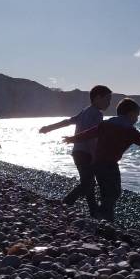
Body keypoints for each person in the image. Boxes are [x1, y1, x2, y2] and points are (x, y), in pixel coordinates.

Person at [63, 97, 140, 222]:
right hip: (109, 165)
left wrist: (72, 139)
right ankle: (102, 215)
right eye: (136, 116)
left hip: (97, 163)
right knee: (114, 192)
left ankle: (103, 216)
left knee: (106, 191)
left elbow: (89, 133)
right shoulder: (129, 131)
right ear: (131, 114)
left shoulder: (106, 124)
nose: (136, 119)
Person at [39, 85, 112, 217]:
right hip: (87, 153)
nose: (109, 103)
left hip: (77, 152)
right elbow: (93, 136)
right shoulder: (97, 114)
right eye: (107, 99)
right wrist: (96, 155)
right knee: (87, 183)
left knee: (88, 181)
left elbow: (67, 121)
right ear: (97, 98)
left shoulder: (85, 111)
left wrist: (49, 128)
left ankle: (93, 211)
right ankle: (66, 203)